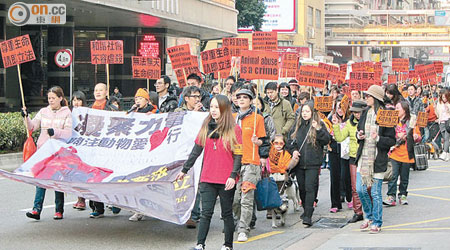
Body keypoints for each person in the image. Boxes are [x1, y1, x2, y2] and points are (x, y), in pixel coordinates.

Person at [176, 95, 242, 250]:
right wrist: (184, 170)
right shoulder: (206, 126)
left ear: (225, 109)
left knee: (227, 214)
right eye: (211, 107)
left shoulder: (234, 129)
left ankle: (227, 245)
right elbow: (196, 150)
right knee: (206, 213)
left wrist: (233, 175)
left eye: (217, 107)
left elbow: (238, 155)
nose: (213, 110)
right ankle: (200, 244)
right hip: (207, 177)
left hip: (226, 178)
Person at [22, 86, 72, 220]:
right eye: (49, 98)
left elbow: (68, 134)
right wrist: (26, 117)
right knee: (40, 179)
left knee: (57, 180)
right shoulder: (43, 111)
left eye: (53, 98)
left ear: (60, 98)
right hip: (43, 150)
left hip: (58, 152)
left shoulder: (67, 113)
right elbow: (32, 127)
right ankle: (36, 210)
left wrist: (55, 132)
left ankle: (59, 210)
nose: (50, 101)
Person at [355, 85, 396, 234]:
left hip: (378, 159)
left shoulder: (386, 114)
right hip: (363, 157)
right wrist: (359, 135)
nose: (366, 98)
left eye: (368, 96)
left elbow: (391, 140)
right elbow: (358, 131)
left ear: (376, 98)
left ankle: (377, 221)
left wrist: (377, 137)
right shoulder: (365, 113)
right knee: (360, 189)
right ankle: (369, 216)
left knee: (376, 193)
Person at [287, 101, 330, 227]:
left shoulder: (319, 124)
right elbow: (290, 141)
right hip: (300, 163)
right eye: (303, 111)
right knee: (302, 188)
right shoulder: (297, 125)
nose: (305, 114)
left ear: (312, 113)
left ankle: (308, 215)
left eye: (307, 111)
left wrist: (318, 129)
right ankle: (305, 209)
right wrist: (293, 151)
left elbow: (326, 140)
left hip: (313, 162)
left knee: (310, 187)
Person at [232, 87, 267, 242]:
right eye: (239, 97)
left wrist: (257, 141)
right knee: (234, 199)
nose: (241, 99)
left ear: (251, 100)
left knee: (246, 198)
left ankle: (243, 229)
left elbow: (264, 142)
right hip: (233, 163)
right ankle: (239, 221)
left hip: (250, 163)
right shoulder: (232, 118)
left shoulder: (257, 118)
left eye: (245, 97)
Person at [333, 100, 367, 223]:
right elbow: (340, 137)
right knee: (355, 187)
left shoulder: (369, 122)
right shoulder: (349, 123)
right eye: (354, 112)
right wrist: (336, 125)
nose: (357, 115)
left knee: (367, 186)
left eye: (359, 112)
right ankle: (357, 211)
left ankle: (369, 209)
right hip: (353, 157)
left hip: (366, 156)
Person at [89, 83, 119, 218]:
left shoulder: (112, 107)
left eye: (101, 90)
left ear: (106, 92)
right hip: (94, 148)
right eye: (96, 90)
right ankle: (98, 207)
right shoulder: (90, 109)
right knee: (95, 178)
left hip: (109, 147)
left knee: (111, 177)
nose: (98, 92)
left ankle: (115, 202)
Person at [383, 101, 421, 206]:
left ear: (404, 109)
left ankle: (403, 195)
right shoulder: (393, 121)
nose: (396, 110)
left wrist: (415, 137)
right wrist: (397, 135)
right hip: (395, 152)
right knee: (393, 176)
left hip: (406, 154)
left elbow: (418, 136)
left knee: (404, 177)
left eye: (398, 108)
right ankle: (391, 196)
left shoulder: (411, 122)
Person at [328, 95, 352, 213]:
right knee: (335, 176)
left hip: (347, 151)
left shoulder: (350, 120)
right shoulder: (330, 118)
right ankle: (335, 203)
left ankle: (349, 197)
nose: (339, 110)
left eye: (342, 107)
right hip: (333, 149)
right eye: (337, 107)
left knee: (346, 176)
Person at [70, 90, 88, 210]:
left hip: (85, 147)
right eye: (74, 100)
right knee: (75, 174)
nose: (76, 103)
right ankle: (79, 198)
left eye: (78, 100)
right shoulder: (69, 113)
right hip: (74, 147)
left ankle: (83, 200)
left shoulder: (87, 113)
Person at [435, 89, 450, 161]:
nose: (444, 99)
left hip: (448, 122)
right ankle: (447, 153)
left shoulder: (449, 103)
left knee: (447, 138)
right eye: (443, 97)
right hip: (441, 122)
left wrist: (448, 109)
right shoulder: (439, 103)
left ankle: (444, 153)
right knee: (444, 138)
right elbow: (437, 113)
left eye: (445, 97)